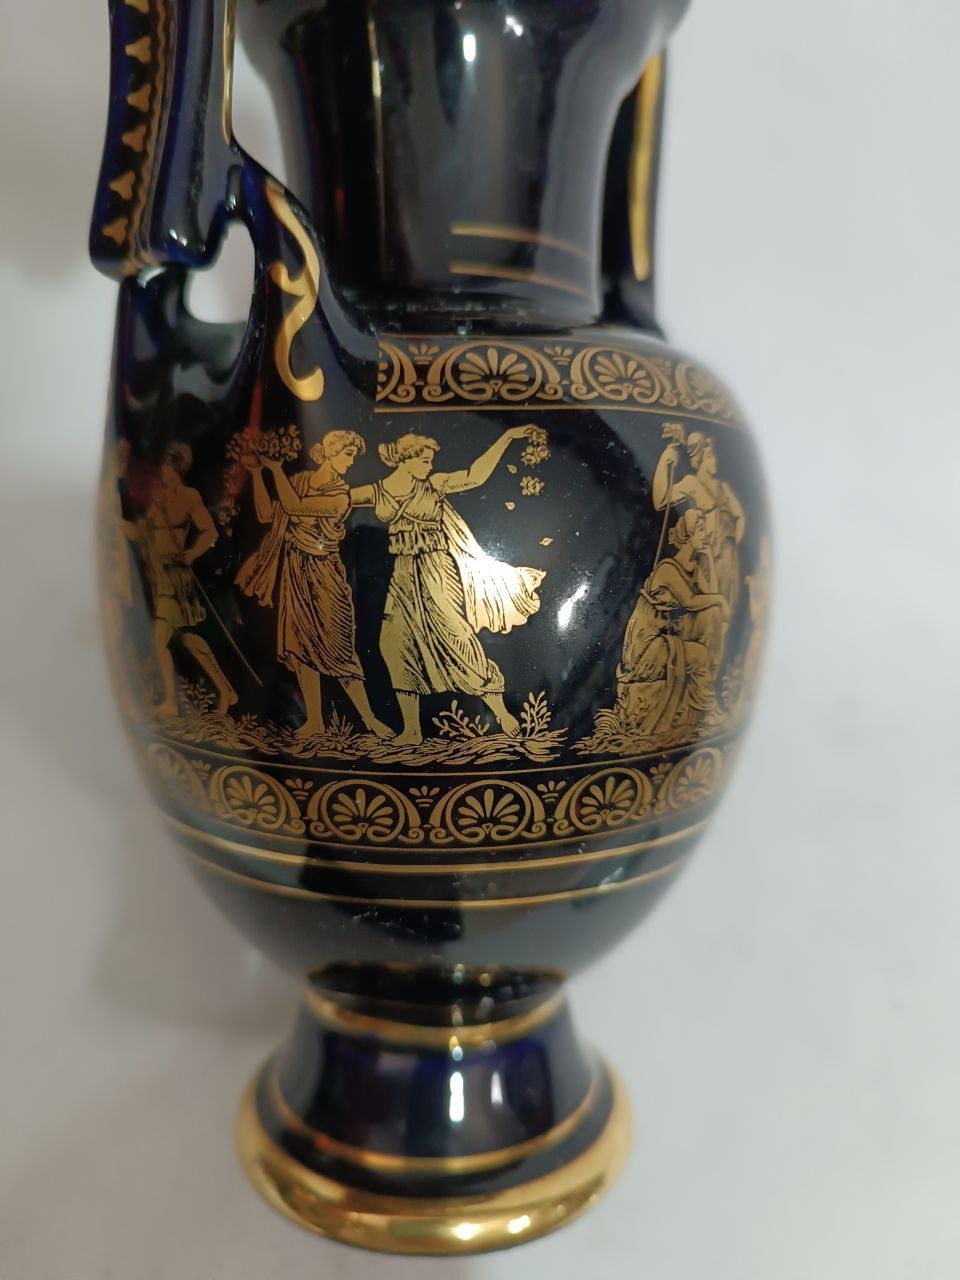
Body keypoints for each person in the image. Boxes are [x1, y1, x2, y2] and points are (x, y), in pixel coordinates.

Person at [350, 428, 544, 746]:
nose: (430, 465)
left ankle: (501, 712)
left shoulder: (435, 484)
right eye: (425, 460)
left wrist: (506, 438)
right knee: (395, 643)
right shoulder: (377, 491)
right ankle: (412, 730)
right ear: (406, 459)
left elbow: (474, 476)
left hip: (437, 571)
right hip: (403, 573)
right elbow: (337, 501)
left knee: (456, 637)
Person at [236, 430, 392, 741]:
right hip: (296, 569)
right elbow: (267, 514)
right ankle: (316, 721)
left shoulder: (341, 495)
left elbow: (294, 507)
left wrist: (275, 469)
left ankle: (370, 719)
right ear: (330, 452)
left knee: (339, 646)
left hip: (325, 572)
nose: (351, 462)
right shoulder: (299, 481)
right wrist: (256, 474)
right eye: (347, 454)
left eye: (353, 456)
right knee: (300, 647)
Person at [139, 442, 237, 718]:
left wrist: (192, 553)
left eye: (164, 464)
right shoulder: (159, 496)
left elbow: (210, 532)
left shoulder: (189, 496)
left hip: (175, 574)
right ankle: (225, 689)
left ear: (174, 466)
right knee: (189, 638)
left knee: (160, 638)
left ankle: (171, 702)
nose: (160, 469)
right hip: (159, 573)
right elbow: (144, 529)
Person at [615, 510, 730, 741]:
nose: (706, 535)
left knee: (709, 624)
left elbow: (709, 596)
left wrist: (707, 557)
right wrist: (719, 600)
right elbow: (692, 601)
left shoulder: (691, 569)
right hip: (646, 645)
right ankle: (705, 712)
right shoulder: (668, 569)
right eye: (701, 530)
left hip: (660, 638)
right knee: (700, 656)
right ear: (688, 534)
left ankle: (699, 714)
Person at [652, 430, 745, 628]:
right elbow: (660, 500)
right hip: (701, 559)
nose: (715, 461)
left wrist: (732, 547)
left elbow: (740, 517)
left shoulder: (722, 487)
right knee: (708, 616)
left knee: (724, 619)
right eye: (709, 455)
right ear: (700, 457)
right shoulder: (691, 483)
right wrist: (664, 460)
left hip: (725, 559)